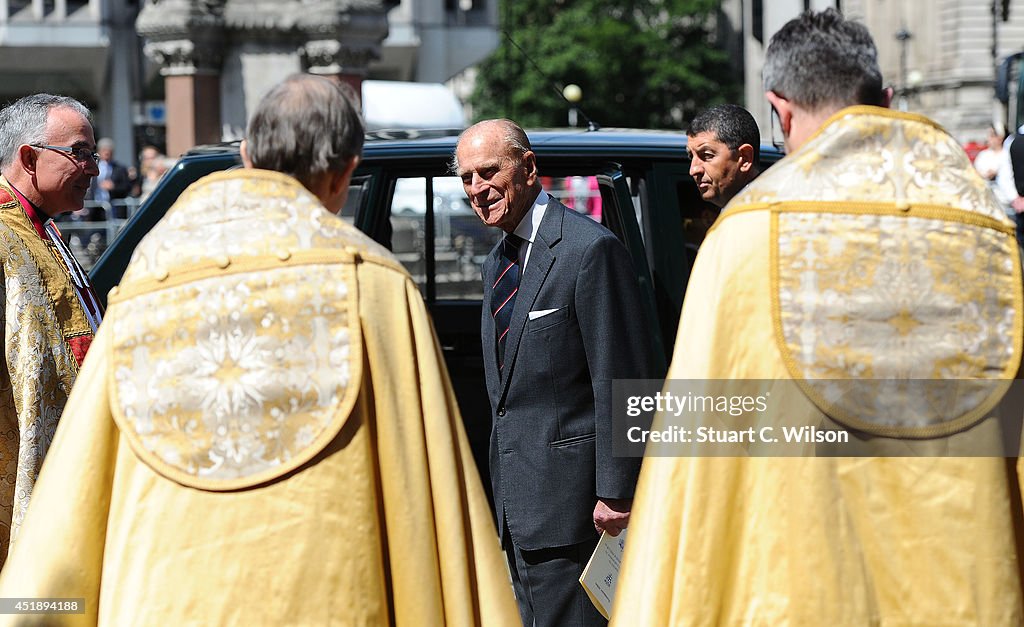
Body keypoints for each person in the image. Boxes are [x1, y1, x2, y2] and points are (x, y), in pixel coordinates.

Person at [0, 74, 518, 626]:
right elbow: (426, 481)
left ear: (246, 154)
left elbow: (82, 473)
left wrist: (33, 606)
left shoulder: (150, 279)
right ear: (346, 174)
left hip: (170, 593)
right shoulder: (376, 284)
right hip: (332, 595)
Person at [614, 9, 1024, 625]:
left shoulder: (746, 235)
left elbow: (699, 464)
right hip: (966, 588)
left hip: (804, 584)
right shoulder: (988, 231)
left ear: (779, 111)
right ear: (884, 101)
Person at [454, 119, 655, 627]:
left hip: (577, 514)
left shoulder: (588, 250)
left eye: (488, 172)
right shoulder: (497, 259)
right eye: (467, 178)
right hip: (517, 510)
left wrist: (617, 489)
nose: (478, 189)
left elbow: (623, 376)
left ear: (528, 167)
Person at [0, 93, 103, 566]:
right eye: (80, 153)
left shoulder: (41, 226)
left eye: (93, 155)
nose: (94, 169)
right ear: (28, 157)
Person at [686, 103, 761, 208]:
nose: (693, 170)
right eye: (691, 156)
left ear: (745, 158)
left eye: (707, 155)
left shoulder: (772, 214)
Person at [87, 137, 133, 218]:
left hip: (113, 207)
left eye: (109, 150)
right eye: (104, 150)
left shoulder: (120, 169)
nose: (107, 153)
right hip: (96, 208)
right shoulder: (93, 167)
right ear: (99, 151)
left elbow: (127, 187)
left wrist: (113, 187)